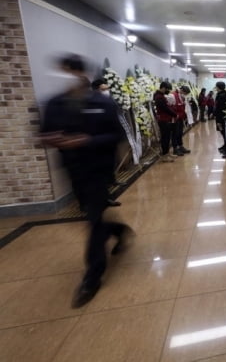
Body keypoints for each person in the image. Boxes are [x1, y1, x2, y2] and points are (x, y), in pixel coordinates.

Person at [40, 54, 133, 308]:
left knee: (92, 220)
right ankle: (118, 231)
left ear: (81, 74)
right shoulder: (55, 104)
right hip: (73, 170)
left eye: (69, 72)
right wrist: (54, 138)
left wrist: (87, 141)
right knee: (92, 216)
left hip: (99, 168)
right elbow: (43, 134)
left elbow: (117, 134)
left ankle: (92, 277)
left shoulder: (101, 103)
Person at [90, 77, 122, 207]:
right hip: (97, 144)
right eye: (104, 88)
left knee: (108, 166)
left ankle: (110, 185)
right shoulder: (91, 103)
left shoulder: (108, 102)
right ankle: (102, 199)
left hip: (108, 141)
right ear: (97, 88)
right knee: (99, 174)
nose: (107, 91)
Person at [153, 81, 177, 162]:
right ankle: (164, 155)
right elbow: (165, 108)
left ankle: (167, 153)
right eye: (167, 89)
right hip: (163, 120)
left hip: (166, 119)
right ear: (163, 88)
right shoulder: (159, 97)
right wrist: (174, 114)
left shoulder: (161, 95)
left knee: (167, 137)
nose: (168, 91)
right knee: (165, 138)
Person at [171, 86, 191, 156]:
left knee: (180, 133)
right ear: (181, 90)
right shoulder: (173, 95)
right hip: (175, 118)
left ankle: (180, 146)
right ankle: (175, 149)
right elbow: (173, 107)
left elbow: (182, 106)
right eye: (185, 93)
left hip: (180, 117)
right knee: (175, 134)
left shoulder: (181, 96)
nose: (185, 95)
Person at [214, 81, 226, 158]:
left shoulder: (221, 96)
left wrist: (218, 121)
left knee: (225, 133)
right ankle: (225, 146)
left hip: (221, 118)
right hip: (224, 117)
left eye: (216, 87)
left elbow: (219, 109)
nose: (215, 88)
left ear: (218, 87)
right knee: (224, 133)